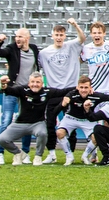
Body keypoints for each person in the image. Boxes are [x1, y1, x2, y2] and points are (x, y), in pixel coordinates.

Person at [37, 18, 86, 164]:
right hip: (53, 91)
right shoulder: (44, 53)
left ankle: (69, 154)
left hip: (70, 90)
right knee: (50, 123)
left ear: (65, 36)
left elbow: (82, 38)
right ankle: (51, 153)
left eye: (61, 35)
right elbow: (36, 68)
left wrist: (75, 25)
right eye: (56, 35)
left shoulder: (71, 46)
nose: (59, 37)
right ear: (52, 36)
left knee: (70, 124)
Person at [0, 28, 39, 165]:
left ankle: (25, 153)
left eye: (20, 36)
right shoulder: (11, 49)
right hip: (13, 89)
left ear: (27, 38)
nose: (17, 39)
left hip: (27, 92)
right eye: (16, 36)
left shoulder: (34, 49)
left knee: (26, 122)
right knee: (6, 120)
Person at [0, 71, 62, 166]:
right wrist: (3, 84)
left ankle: (38, 156)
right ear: (29, 83)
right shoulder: (22, 90)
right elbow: (8, 90)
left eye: (38, 82)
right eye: (33, 82)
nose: (35, 84)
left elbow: (64, 91)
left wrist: (78, 89)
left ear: (42, 84)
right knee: (2, 139)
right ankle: (18, 153)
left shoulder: (47, 92)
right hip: (20, 123)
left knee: (43, 133)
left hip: (37, 123)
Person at [56, 75, 109, 165]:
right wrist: (63, 103)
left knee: (96, 137)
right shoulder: (72, 94)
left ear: (90, 88)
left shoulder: (95, 96)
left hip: (87, 120)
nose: (83, 90)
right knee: (60, 133)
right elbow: (62, 104)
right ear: (77, 87)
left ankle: (85, 156)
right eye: (81, 87)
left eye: (86, 87)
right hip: (71, 118)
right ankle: (69, 156)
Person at [81, 21, 109, 94]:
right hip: (93, 88)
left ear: (104, 33)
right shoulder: (86, 48)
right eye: (94, 33)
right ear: (91, 34)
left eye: (99, 33)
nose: (97, 35)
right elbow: (78, 61)